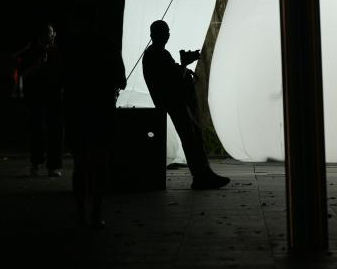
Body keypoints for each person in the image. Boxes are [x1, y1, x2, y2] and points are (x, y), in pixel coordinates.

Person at [143, 20, 228, 190]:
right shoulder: (157, 54)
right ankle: (201, 175)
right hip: (173, 102)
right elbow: (171, 79)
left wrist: (182, 66)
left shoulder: (156, 53)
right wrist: (183, 65)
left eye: (167, 31)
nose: (167, 35)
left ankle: (203, 174)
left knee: (191, 137)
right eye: (164, 32)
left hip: (172, 101)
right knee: (191, 138)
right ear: (155, 34)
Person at [63, 18, 127, 229]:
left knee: (80, 164)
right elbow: (122, 80)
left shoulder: (71, 47)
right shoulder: (108, 45)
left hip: (76, 111)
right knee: (99, 164)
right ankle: (96, 213)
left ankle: (80, 212)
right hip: (102, 111)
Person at [18, 22, 65, 177]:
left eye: (53, 33)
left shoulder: (57, 52)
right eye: (51, 33)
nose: (54, 36)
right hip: (36, 96)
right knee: (37, 129)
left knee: (56, 131)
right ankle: (36, 162)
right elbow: (23, 73)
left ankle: (54, 166)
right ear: (43, 36)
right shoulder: (30, 52)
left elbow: (63, 73)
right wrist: (39, 63)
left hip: (54, 96)